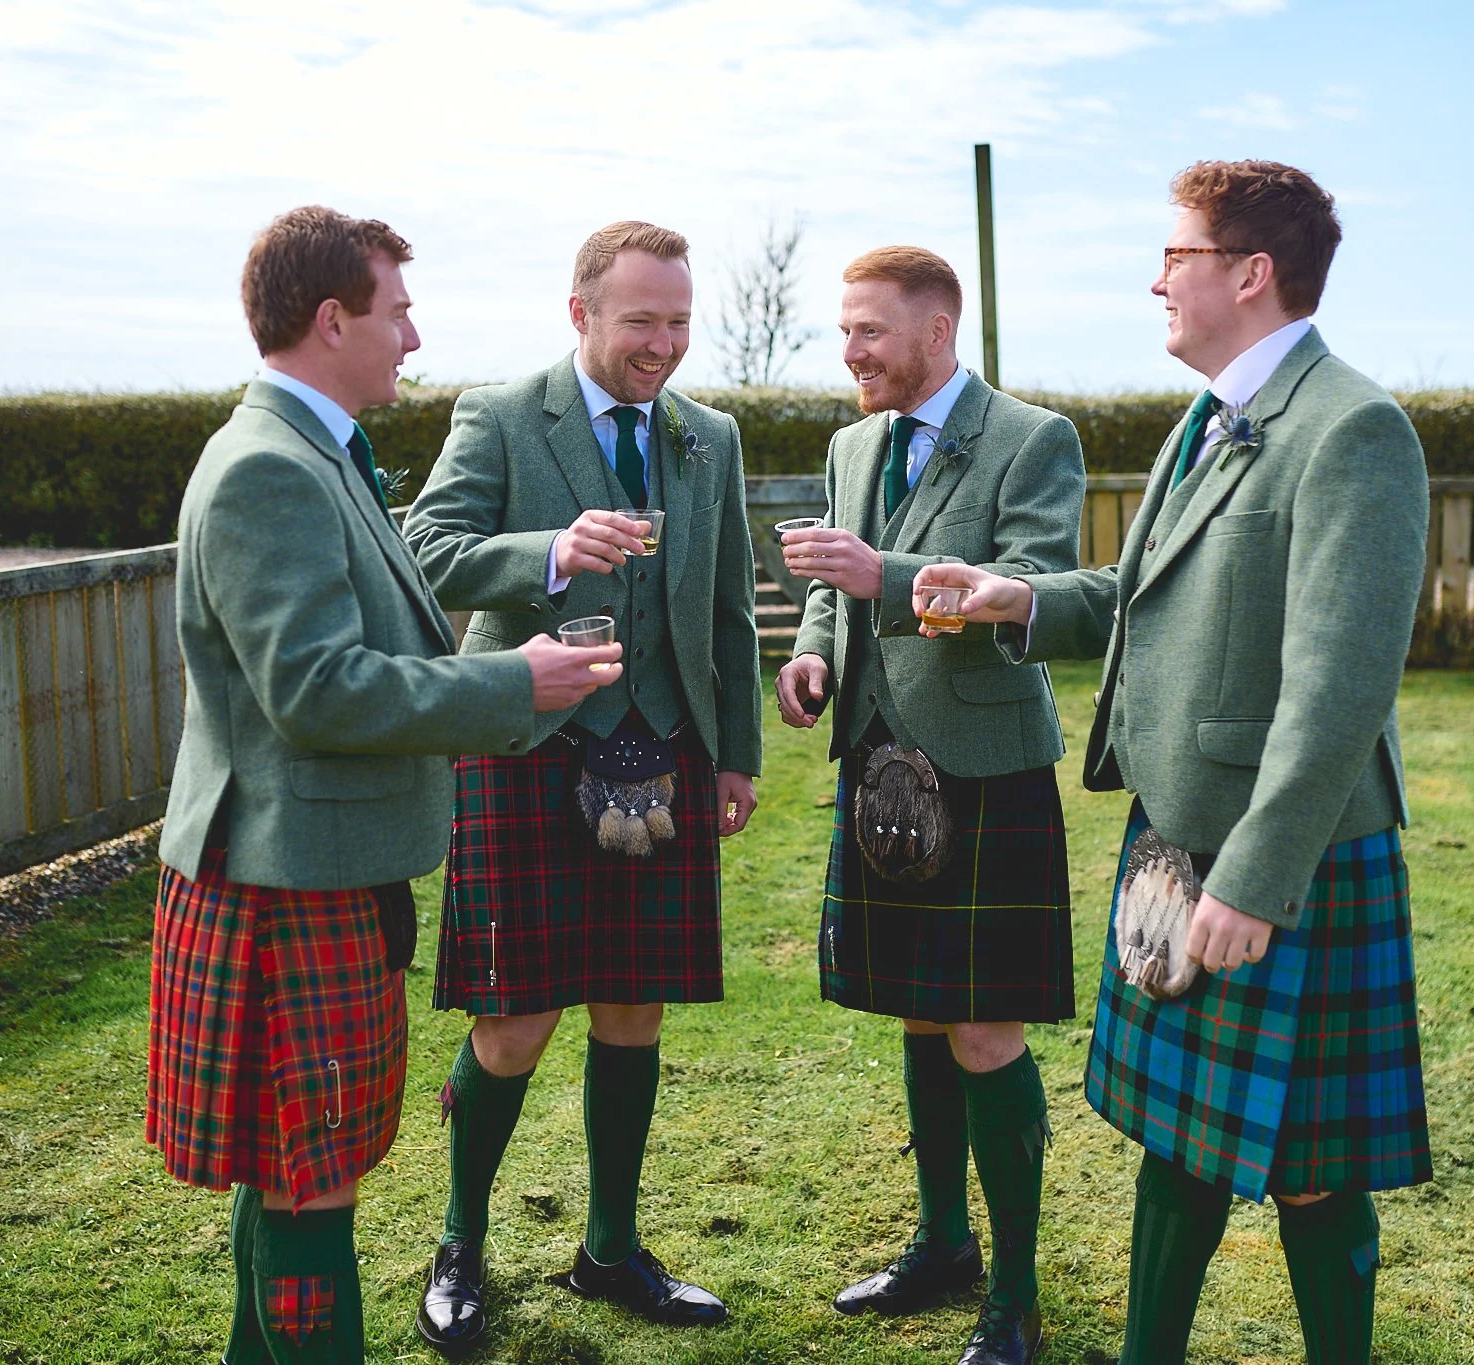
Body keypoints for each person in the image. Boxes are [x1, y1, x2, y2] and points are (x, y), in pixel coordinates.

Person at [915, 161, 1432, 1364]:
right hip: (1174, 827)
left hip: (1275, 851)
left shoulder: (1350, 429)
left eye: (1174, 256)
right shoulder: (1208, 418)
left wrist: (1255, 876)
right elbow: (1147, 591)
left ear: (1248, 274)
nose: (1154, 278)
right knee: (1178, 1136)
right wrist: (1016, 598)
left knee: (1308, 1167)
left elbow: (1339, 687)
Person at [147, 206, 620, 1363]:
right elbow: (315, 690)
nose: (412, 338)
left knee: (289, 1167)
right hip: (284, 881)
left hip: (312, 868)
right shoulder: (269, 468)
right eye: (396, 313)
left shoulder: (313, 452)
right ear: (329, 320)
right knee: (310, 1183)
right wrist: (511, 684)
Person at [400, 220, 761, 1356]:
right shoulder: (500, 416)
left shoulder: (709, 437)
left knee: (633, 1006)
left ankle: (610, 1249)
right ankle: (460, 1244)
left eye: (677, 322)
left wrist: (735, 752)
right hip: (527, 745)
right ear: (580, 316)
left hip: (667, 748)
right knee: (513, 1022)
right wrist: (551, 551)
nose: (661, 345)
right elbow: (428, 549)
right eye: (639, 320)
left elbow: (728, 607)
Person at [774, 246, 1086, 1365]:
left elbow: (1026, 589)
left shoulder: (1030, 439)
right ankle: (940, 1244)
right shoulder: (850, 443)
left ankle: (1014, 1295)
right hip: (876, 759)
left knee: (981, 1026)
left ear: (937, 333)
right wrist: (813, 653)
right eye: (843, 331)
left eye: (867, 332)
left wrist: (885, 579)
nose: (847, 352)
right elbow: (830, 585)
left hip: (981, 766)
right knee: (915, 1008)